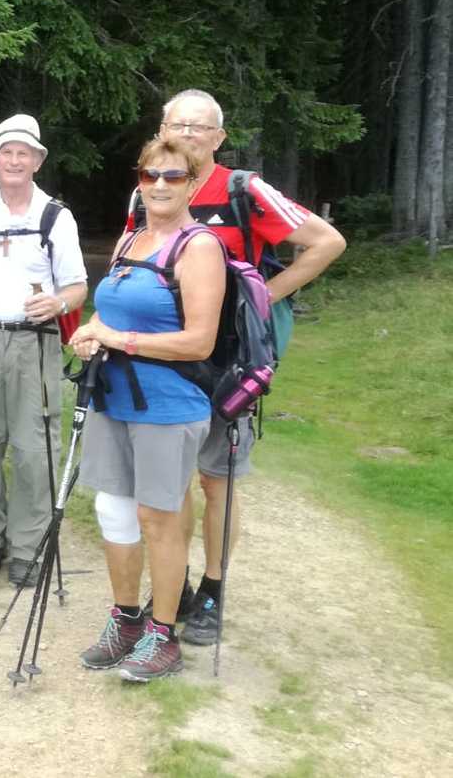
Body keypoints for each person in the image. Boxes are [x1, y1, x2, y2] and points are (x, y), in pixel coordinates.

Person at [129, 89, 345, 644]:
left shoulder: (242, 190)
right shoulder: (149, 188)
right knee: (172, 479)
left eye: (200, 127)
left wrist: (261, 296)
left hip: (229, 361)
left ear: (219, 138)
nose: (189, 134)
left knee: (217, 478)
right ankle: (174, 585)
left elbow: (326, 242)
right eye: (178, 124)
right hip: (169, 353)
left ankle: (213, 590)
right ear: (162, 130)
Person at [70, 137, 226, 682]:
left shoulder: (199, 247)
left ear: (193, 184)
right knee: (113, 511)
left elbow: (200, 341)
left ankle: (164, 635)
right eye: (149, 175)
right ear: (139, 180)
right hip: (113, 398)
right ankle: (126, 620)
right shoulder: (130, 238)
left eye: (173, 176)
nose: (159, 185)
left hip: (169, 405)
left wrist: (122, 340)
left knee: (158, 519)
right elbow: (109, 311)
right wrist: (92, 332)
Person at [0, 115, 88, 588]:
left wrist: (57, 303)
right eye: (6, 152)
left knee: (35, 448)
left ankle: (28, 547)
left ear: (37, 161)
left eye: (23, 153)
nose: (14, 160)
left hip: (35, 342)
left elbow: (77, 286)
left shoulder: (55, 216)